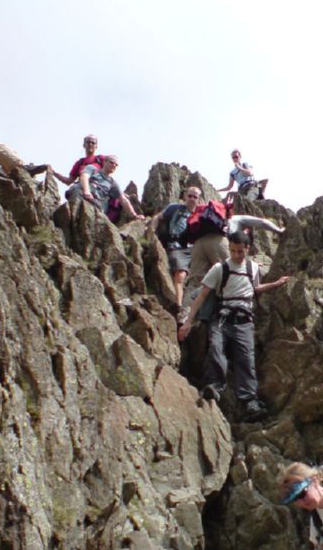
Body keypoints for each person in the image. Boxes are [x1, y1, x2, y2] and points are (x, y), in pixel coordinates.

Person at [178, 229, 289, 420]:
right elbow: (202, 295)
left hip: (244, 320)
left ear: (247, 248)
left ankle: (249, 401)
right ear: (229, 248)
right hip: (221, 318)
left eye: (240, 251)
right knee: (215, 349)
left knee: (246, 358)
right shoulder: (219, 269)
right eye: (233, 251)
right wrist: (188, 321)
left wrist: (275, 284)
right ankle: (214, 387)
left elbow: (254, 289)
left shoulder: (252, 268)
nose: (237, 255)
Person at [148, 186, 202, 315]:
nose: (192, 199)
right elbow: (157, 217)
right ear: (184, 196)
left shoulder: (200, 215)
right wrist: (152, 231)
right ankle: (178, 306)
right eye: (190, 196)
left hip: (195, 249)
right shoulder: (174, 208)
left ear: (199, 199)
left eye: (195, 197)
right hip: (177, 246)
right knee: (180, 274)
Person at [69, 155, 144, 222]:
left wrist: (134, 216)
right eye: (112, 162)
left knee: (98, 212)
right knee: (76, 191)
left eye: (116, 165)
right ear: (105, 162)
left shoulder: (113, 183)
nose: (114, 165)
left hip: (97, 201)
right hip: (84, 192)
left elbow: (123, 200)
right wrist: (86, 191)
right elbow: (84, 177)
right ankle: (72, 217)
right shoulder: (92, 169)